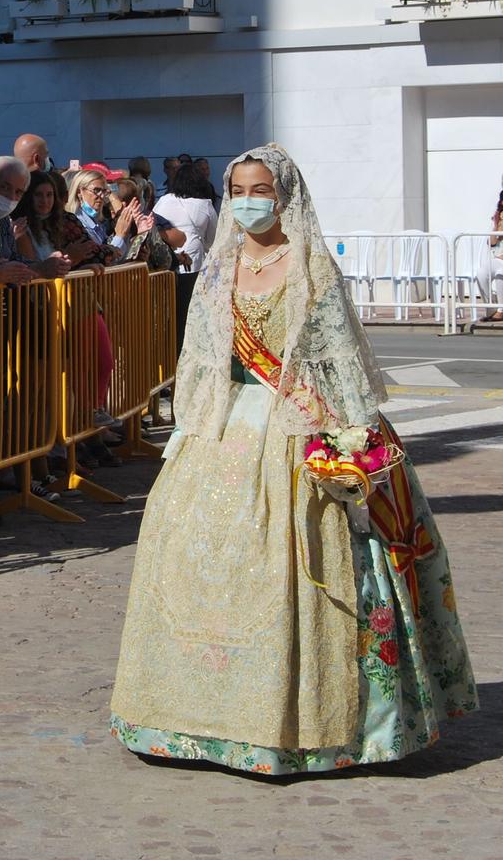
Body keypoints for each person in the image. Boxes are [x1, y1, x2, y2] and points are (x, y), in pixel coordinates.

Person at [109, 143, 476, 776]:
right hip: (226, 432)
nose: (250, 202)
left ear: (286, 197)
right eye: (240, 191)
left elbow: (339, 362)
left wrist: (349, 436)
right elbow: (202, 358)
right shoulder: (219, 268)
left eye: (263, 191)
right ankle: (186, 714)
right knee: (200, 559)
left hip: (301, 427)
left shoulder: (312, 268)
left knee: (310, 561)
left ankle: (315, 725)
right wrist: (191, 424)